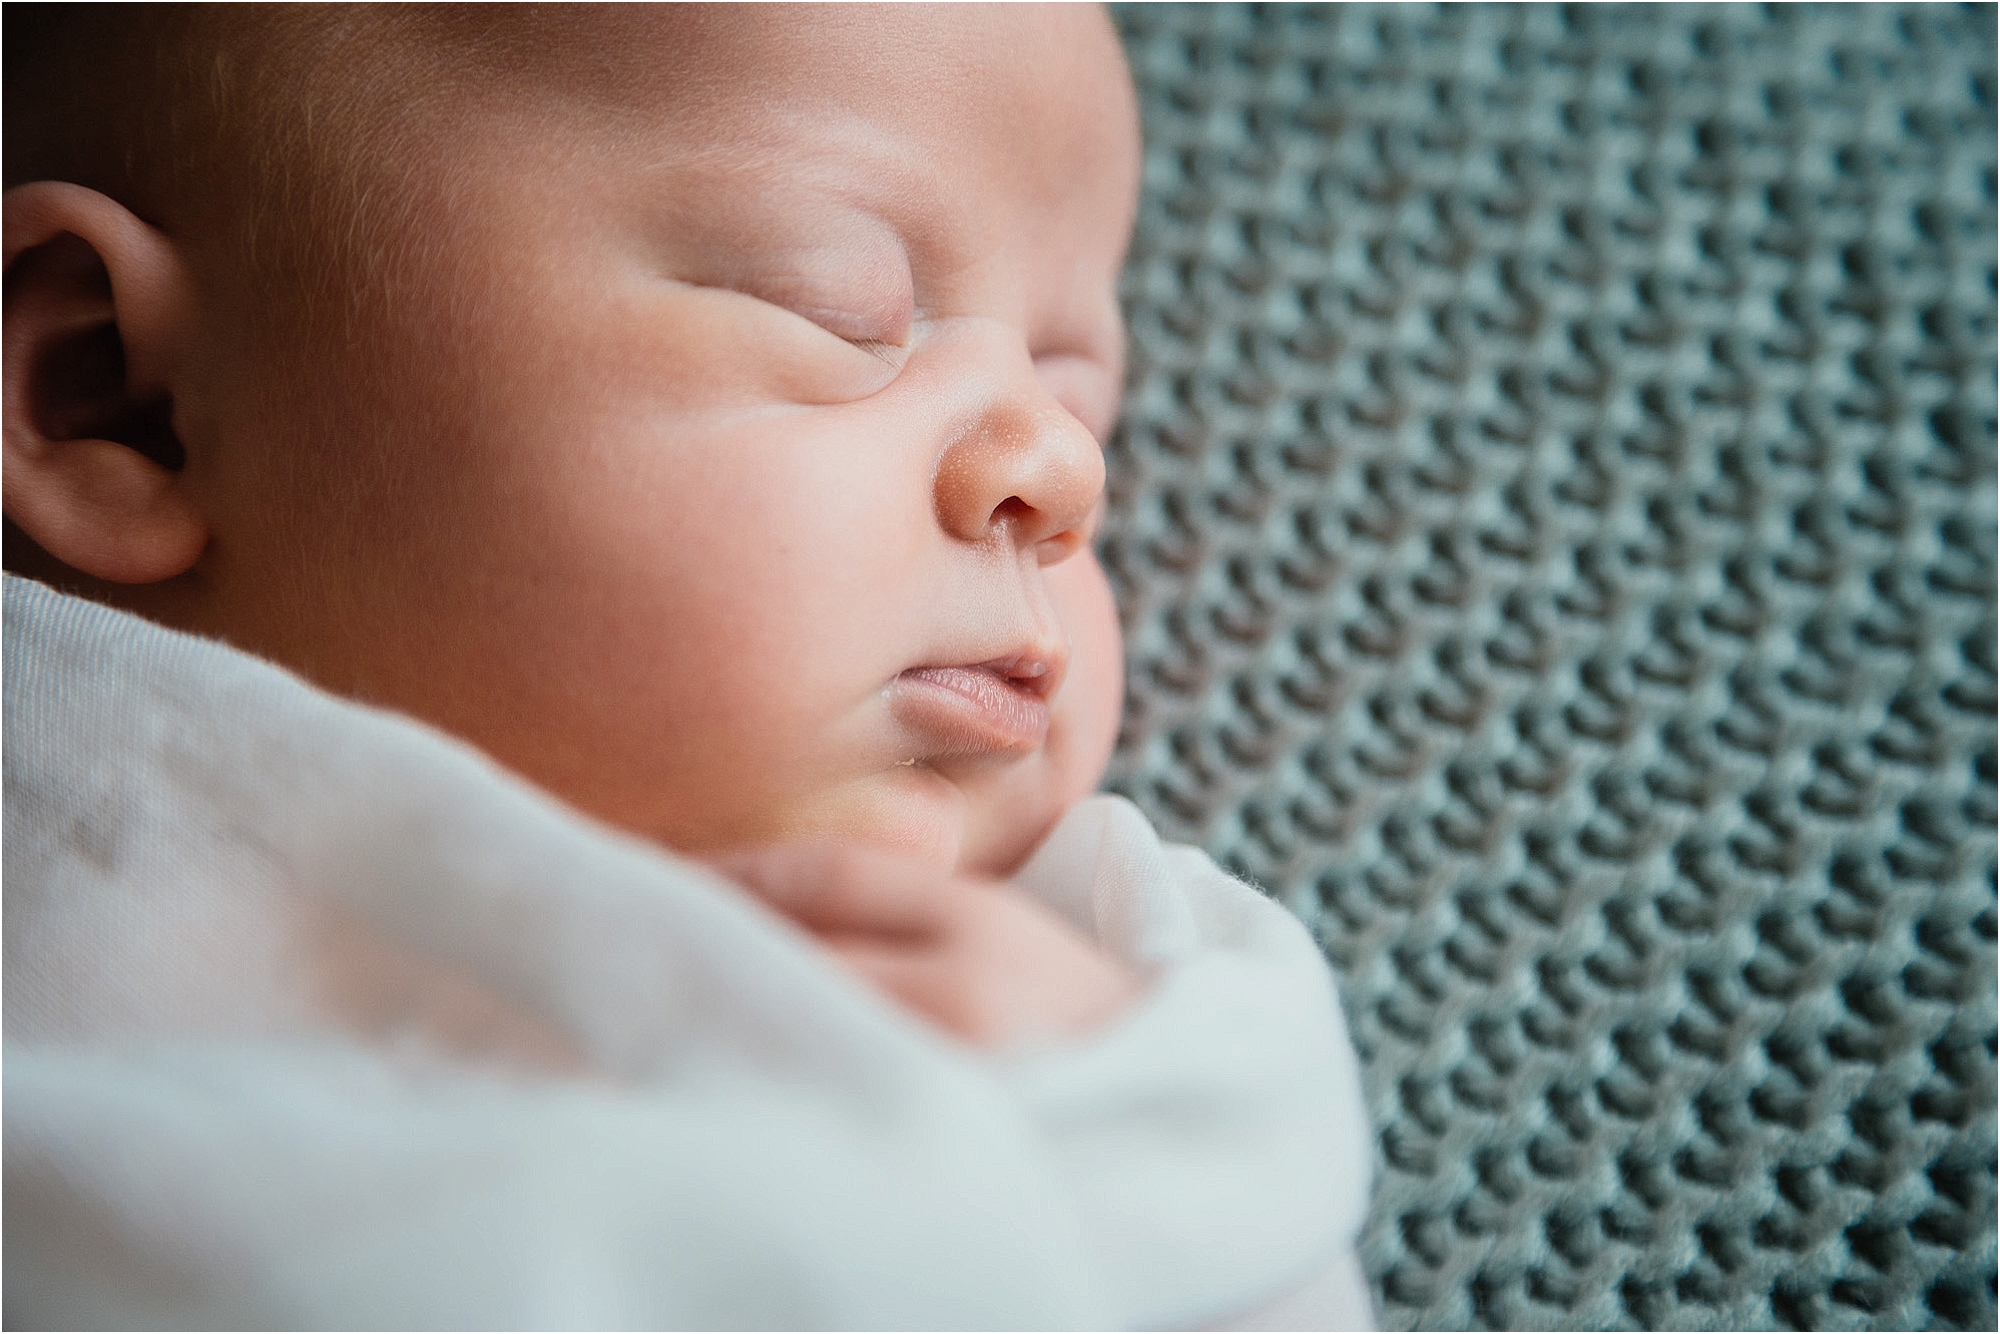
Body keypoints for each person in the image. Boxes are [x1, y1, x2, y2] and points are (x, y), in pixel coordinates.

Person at [3, 5, 1375, 1327]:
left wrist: (1122, 1165)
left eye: (1083, 404)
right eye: (840, 308)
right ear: (119, 398)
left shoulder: (1111, 994)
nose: (1061, 469)